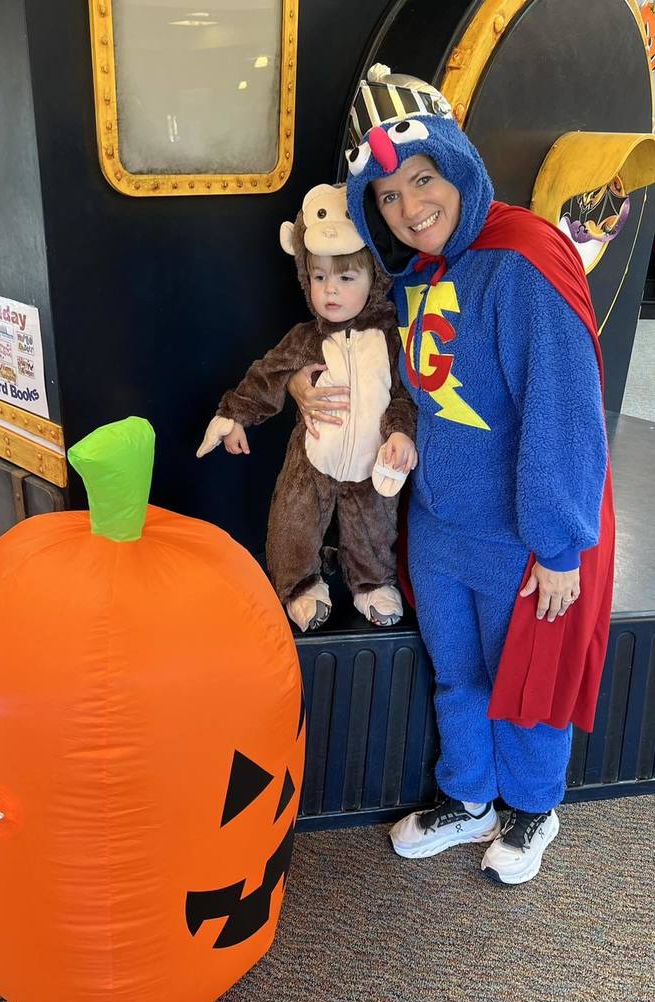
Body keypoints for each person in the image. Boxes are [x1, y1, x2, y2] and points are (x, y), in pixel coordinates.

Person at [288, 69, 613, 885]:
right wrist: (298, 381)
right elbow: (375, 365)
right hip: (436, 528)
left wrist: (557, 541)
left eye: (422, 179)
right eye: (389, 194)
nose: (409, 205)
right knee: (457, 674)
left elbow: (561, 406)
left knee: (525, 682)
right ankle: (468, 797)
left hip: (515, 535)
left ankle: (531, 809)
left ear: (458, 165)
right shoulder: (417, 279)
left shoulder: (525, 258)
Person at [197, 182, 416, 632]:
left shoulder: (391, 338)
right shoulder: (306, 339)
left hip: (370, 464)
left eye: (345, 278)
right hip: (311, 462)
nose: (330, 291)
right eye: (319, 278)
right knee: (293, 526)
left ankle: (371, 584)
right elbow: (268, 374)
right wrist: (234, 415)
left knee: (374, 531)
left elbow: (403, 394)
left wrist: (399, 432)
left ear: (374, 276)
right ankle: (299, 586)